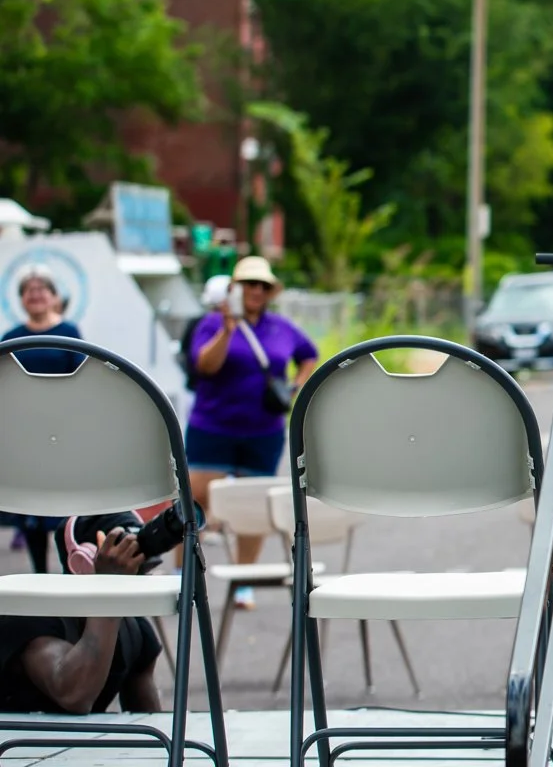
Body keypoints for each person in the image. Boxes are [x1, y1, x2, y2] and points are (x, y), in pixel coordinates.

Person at [183, 256, 317, 609]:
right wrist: (228, 329)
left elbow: (309, 354)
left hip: (263, 431)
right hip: (212, 426)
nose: (256, 291)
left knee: (252, 504)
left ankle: (244, 579)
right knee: (194, 500)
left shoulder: (281, 328)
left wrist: (294, 387)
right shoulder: (212, 323)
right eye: (248, 284)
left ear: (270, 292)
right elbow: (204, 365)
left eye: (262, 286)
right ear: (234, 289)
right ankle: (182, 572)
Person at [0, 528, 161, 713]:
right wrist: (109, 590)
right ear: (82, 559)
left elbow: (149, 729)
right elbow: (74, 695)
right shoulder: (31, 619)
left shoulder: (135, 630)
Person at [1, 265, 84, 571]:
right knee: (30, 510)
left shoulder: (69, 333)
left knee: (64, 510)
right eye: (28, 291)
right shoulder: (11, 337)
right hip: (25, 434)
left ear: (54, 297)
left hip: (61, 432)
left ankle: (68, 571)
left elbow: (80, 378)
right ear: (21, 299)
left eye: (41, 290)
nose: (35, 296)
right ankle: (39, 571)